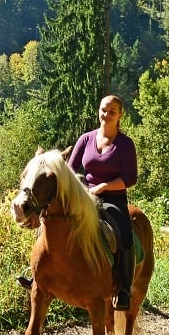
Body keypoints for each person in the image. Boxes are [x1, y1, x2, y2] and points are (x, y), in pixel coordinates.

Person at [66, 94, 139, 310]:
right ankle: (38, 276)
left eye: (112, 112)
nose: (106, 115)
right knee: (52, 221)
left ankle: (123, 290)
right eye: (103, 110)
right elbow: (71, 170)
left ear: (120, 116)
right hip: (85, 196)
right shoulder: (85, 139)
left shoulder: (125, 144)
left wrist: (105, 187)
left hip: (113, 198)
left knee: (124, 235)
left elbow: (130, 178)